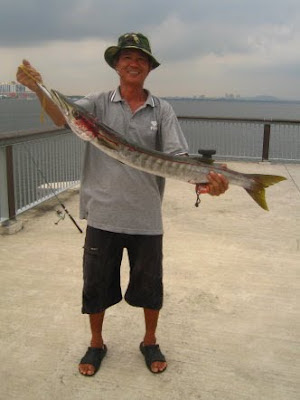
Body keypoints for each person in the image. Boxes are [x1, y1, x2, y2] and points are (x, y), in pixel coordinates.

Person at [17, 32, 229, 376]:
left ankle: (149, 341)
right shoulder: (97, 103)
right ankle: (96, 343)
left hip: (146, 218)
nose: (134, 63)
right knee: (96, 286)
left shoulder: (162, 110)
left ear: (148, 68)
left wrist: (206, 180)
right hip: (102, 215)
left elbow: (177, 156)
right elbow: (62, 117)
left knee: (150, 287)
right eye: (127, 58)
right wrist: (37, 88)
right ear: (117, 65)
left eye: (141, 59)